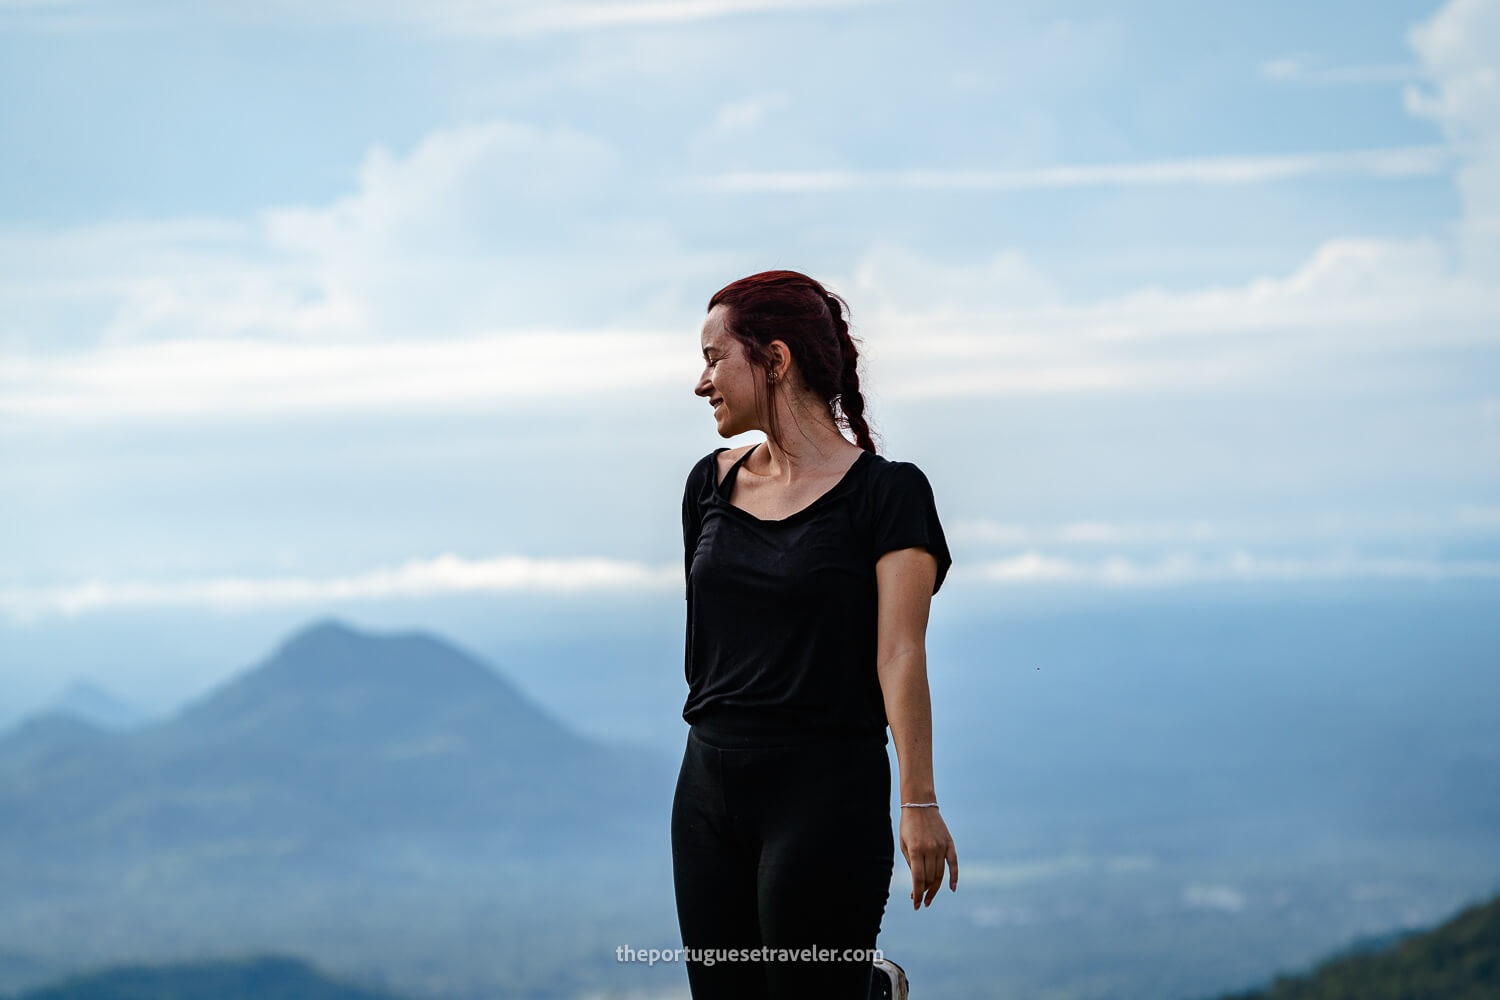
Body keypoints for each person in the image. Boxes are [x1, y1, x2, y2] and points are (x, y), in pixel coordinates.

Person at [673, 270, 958, 999]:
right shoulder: (708, 485)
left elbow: (900, 652)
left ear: (774, 359)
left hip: (825, 790)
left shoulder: (889, 496)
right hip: (707, 786)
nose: (701, 382)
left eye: (714, 358)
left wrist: (918, 803)